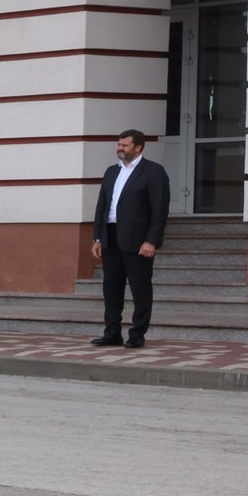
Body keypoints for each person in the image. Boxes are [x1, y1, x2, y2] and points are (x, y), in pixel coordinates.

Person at [91, 127, 170, 350]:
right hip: (111, 238)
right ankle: (112, 333)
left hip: (138, 241)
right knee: (111, 288)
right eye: (118, 145)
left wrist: (152, 240)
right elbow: (102, 207)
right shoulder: (111, 172)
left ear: (138, 147)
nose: (120, 149)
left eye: (124, 145)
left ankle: (137, 334)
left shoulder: (153, 172)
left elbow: (159, 210)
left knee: (140, 289)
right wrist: (97, 237)